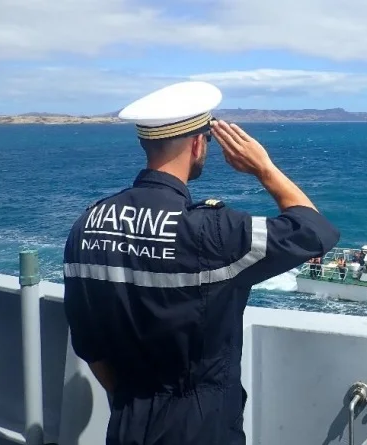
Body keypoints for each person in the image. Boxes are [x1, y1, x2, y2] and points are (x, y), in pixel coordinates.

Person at [62, 81, 340, 445]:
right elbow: (314, 231)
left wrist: (134, 403)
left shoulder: (87, 224)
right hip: (200, 428)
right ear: (197, 143)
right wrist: (264, 169)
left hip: (127, 423)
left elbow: (89, 344)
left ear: (145, 142)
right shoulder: (210, 232)